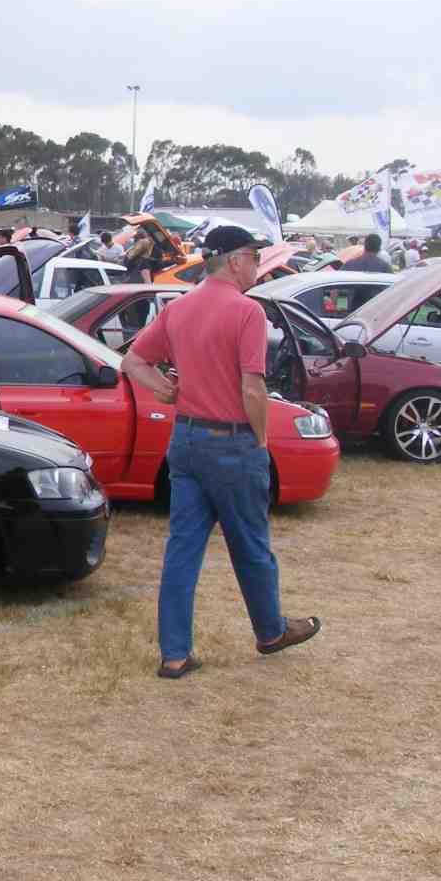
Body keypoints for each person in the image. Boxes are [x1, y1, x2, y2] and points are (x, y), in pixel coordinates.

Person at [120, 225, 321, 680]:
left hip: (186, 441)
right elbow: (253, 388)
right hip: (232, 443)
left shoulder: (179, 306)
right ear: (235, 260)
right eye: (255, 257)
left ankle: (175, 654)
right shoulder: (247, 311)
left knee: (182, 549)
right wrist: (261, 440)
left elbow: (132, 361)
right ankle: (270, 632)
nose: (258, 266)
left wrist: (164, 390)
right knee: (251, 545)